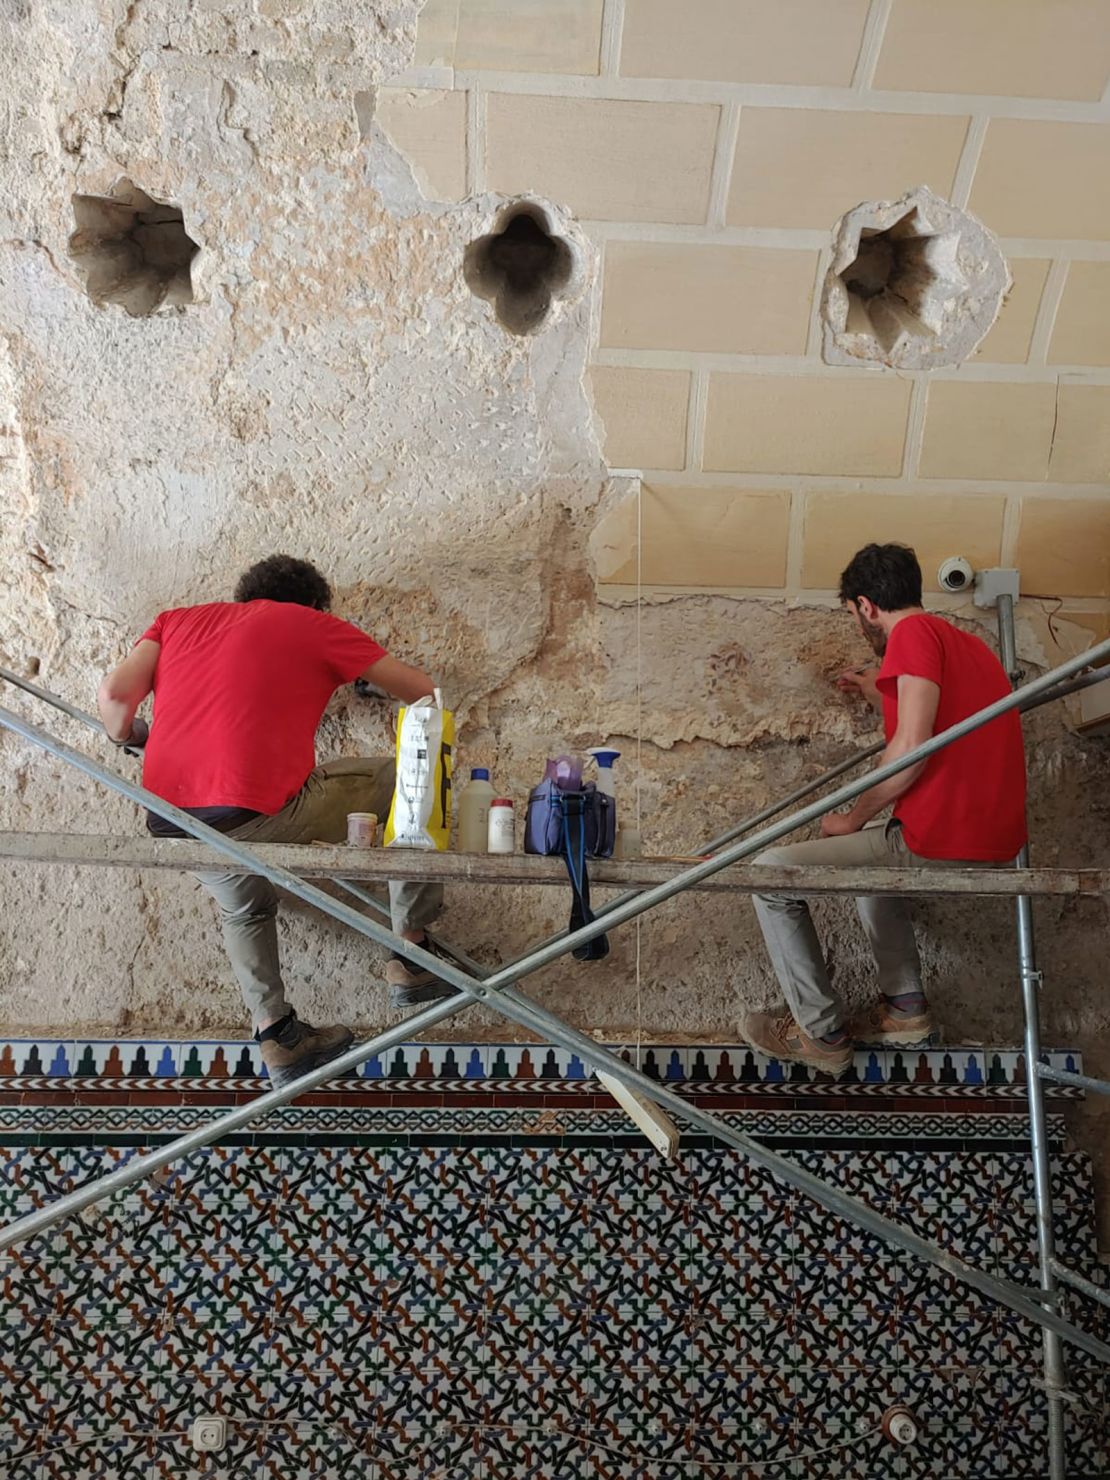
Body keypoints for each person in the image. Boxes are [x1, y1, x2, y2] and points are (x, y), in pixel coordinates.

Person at [97, 555, 458, 1087]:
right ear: (313, 603)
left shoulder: (173, 621)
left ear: (246, 596)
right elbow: (421, 692)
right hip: (257, 813)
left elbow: (113, 699)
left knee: (244, 907)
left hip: (172, 821)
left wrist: (131, 738)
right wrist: (363, 680)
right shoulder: (315, 625)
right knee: (409, 771)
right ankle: (412, 950)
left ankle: (278, 1034)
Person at [741, 543, 1027, 1077]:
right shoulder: (966, 644)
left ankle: (819, 1032)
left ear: (866, 606)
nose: (857, 626)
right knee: (873, 860)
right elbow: (937, 723)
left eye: (853, 615)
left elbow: (912, 751)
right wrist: (882, 695)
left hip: (940, 837)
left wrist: (849, 816)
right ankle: (905, 1009)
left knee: (768, 873)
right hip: (990, 836)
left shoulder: (912, 636)